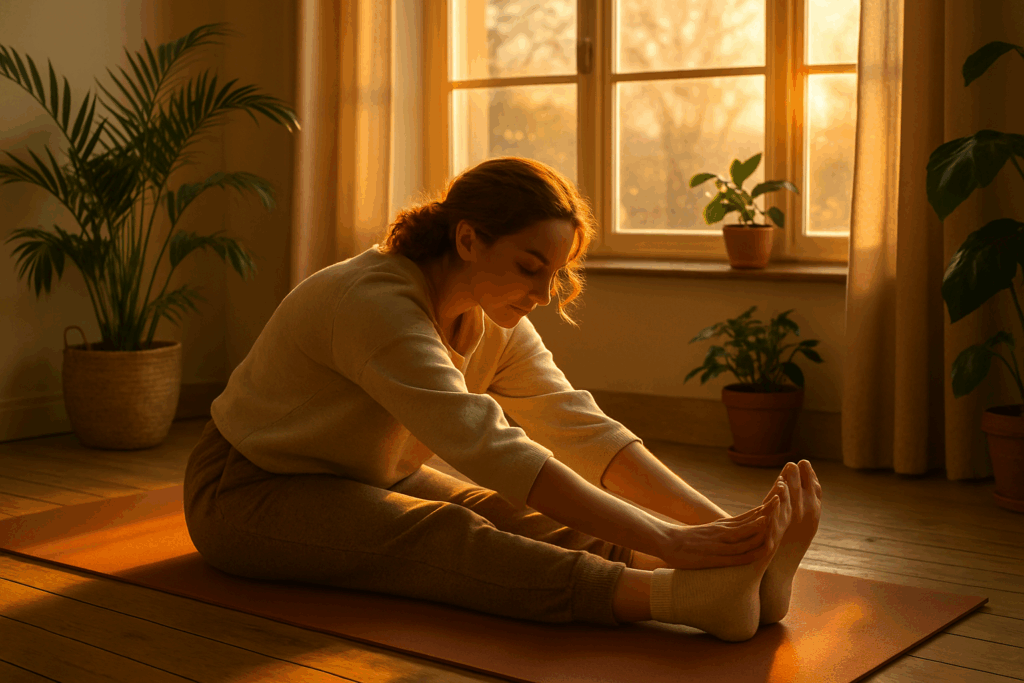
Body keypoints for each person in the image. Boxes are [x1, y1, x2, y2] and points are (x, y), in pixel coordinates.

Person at [183, 156, 823, 643]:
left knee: (511, 513)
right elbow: (489, 446)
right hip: (246, 489)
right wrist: (671, 538)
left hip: (372, 474)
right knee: (446, 534)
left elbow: (577, 426)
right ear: (468, 240)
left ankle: (734, 573)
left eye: (556, 273)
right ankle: (682, 599)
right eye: (529, 267)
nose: (543, 294)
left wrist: (719, 528)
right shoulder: (373, 304)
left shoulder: (495, 316)